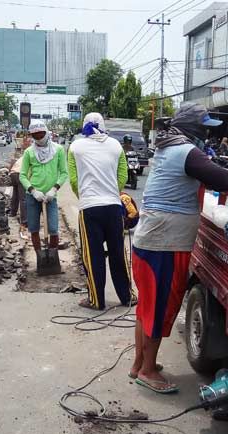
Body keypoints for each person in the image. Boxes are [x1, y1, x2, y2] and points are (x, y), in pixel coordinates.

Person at [130, 103, 228, 393]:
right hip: (164, 244)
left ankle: (139, 364)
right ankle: (148, 371)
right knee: (159, 308)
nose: (207, 135)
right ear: (193, 129)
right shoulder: (187, 151)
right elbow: (224, 180)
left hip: (151, 240)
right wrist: (210, 161)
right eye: (204, 129)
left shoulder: (167, 147)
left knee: (146, 308)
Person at [68, 113, 134, 310]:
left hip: (90, 209)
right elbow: (122, 176)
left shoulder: (75, 147)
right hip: (113, 207)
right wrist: (112, 192)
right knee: (118, 253)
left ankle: (96, 300)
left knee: (93, 256)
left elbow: (73, 180)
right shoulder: (115, 145)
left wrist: (86, 196)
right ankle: (126, 297)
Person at [19, 122, 68, 253]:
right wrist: (33, 191)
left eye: (41, 134)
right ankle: (39, 256)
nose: (39, 138)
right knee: (34, 228)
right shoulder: (29, 152)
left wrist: (54, 189)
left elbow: (64, 173)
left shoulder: (58, 150)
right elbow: (22, 176)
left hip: (51, 196)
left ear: (46, 133)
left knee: (53, 228)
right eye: (35, 136)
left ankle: (52, 255)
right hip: (33, 197)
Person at [7, 136, 31, 239]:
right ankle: (25, 221)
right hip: (20, 175)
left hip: (13, 174)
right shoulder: (31, 157)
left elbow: (12, 165)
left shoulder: (24, 156)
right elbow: (30, 173)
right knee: (23, 199)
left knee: (15, 195)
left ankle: (13, 213)